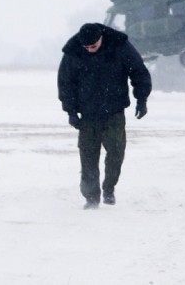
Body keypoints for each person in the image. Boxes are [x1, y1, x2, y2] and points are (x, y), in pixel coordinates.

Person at [58, 22, 152, 209]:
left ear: (101, 38)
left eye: (93, 46)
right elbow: (65, 83)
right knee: (88, 157)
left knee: (116, 152)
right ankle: (91, 198)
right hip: (87, 114)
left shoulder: (119, 46)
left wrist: (142, 99)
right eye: (87, 48)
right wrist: (70, 111)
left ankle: (109, 187)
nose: (90, 50)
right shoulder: (73, 51)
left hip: (114, 112)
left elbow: (138, 71)